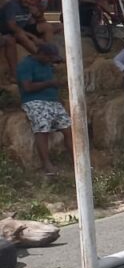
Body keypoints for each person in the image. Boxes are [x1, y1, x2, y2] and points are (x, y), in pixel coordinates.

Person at [17, 43, 73, 176]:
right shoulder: (26, 65)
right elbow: (27, 87)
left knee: (69, 129)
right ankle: (47, 164)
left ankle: (76, 159)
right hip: (34, 101)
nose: (51, 61)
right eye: (49, 58)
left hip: (52, 100)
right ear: (41, 54)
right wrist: (50, 84)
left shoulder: (48, 64)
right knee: (42, 129)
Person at [1, 0, 49, 78]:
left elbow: (35, 23)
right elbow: (12, 27)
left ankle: (49, 51)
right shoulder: (12, 5)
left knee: (47, 26)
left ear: (35, 1)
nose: (27, 0)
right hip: (6, 32)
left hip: (18, 32)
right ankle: (43, 57)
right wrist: (33, 37)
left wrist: (37, 14)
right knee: (17, 36)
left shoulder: (29, 7)